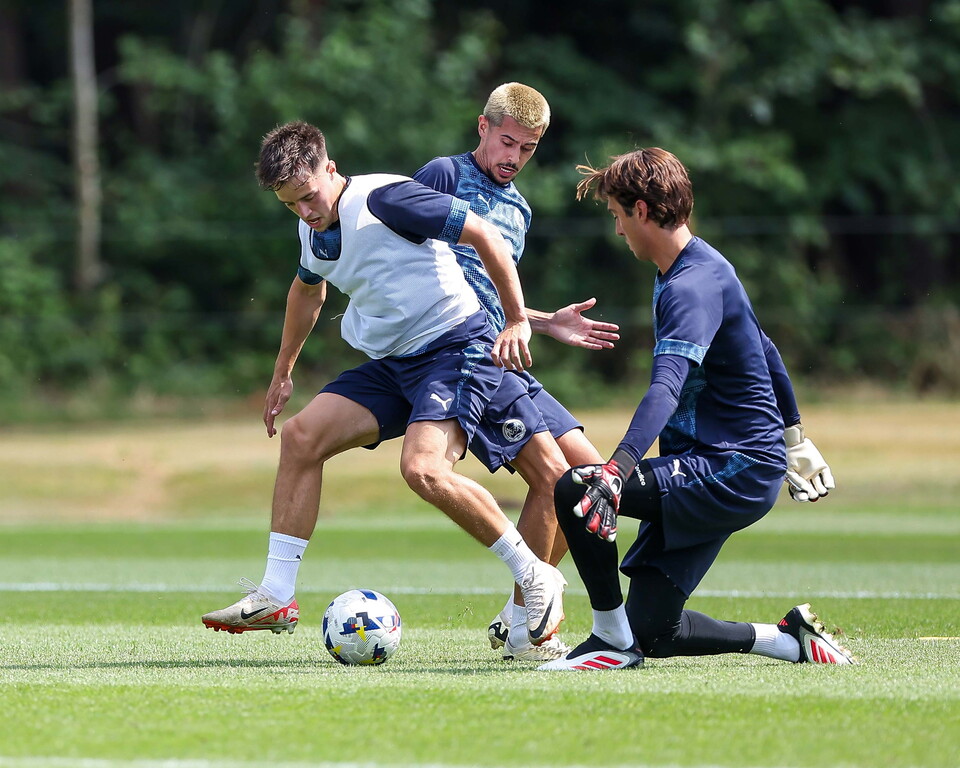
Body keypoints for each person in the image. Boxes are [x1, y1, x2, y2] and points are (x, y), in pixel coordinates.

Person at [201, 121, 567, 649]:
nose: (304, 211)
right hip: (394, 362)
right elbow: (307, 293)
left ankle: (537, 577)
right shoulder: (312, 226)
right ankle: (277, 594)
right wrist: (282, 373)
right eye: (289, 205)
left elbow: (484, 236)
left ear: (331, 169)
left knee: (423, 470)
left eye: (308, 196)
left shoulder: (387, 199)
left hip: (454, 346)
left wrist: (516, 319)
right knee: (302, 437)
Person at [538, 147, 852, 671]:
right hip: (731, 461)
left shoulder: (690, 285)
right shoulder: (700, 267)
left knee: (577, 489)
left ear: (641, 210)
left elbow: (666, 385)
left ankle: (608, 640)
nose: (617, 231)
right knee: (655, 629)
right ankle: (786, 640)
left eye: (617, 215)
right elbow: (767, 349)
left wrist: (616, 471)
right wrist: (794, 436)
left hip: (732, 466)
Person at [414, 82, 619, 661]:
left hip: (504, 351)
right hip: (460, 356)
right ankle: (534, 620)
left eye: (528, 149)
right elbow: (413, 273)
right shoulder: (441, 177)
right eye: (507, 143)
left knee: (592, 477)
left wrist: (545, 320)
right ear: (482, 127)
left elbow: (492, 296)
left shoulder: (519, 210)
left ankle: (518, 609)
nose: (514, 158)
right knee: (557, 479)